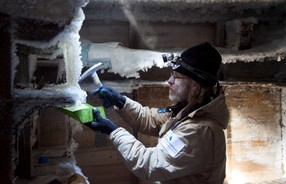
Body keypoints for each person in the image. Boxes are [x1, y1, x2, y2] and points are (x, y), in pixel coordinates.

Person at [86, 42, 229, 184]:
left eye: (177, 76)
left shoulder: (199, 131)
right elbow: (150, 119)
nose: (169, 81)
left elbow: (149, 165)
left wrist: (112, 130)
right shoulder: (188, 110)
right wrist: (121, 102)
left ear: (195, 85)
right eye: (171, 74)